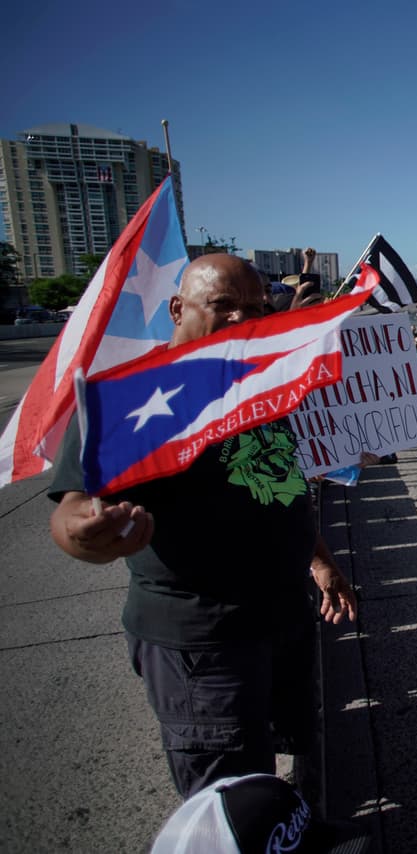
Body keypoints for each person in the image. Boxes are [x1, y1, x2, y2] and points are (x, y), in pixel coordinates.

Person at [47, 254, 357, 799]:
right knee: (231, 795)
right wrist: (85, 533)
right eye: (224, 306)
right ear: (176, 309)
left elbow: (280, 491)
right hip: (203, 645)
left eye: (258, 307)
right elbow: (72, 507)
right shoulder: (131, 397)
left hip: (282, 621)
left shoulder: (259, 385)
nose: (244, 320)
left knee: (289, 763)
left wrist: (320, 560)